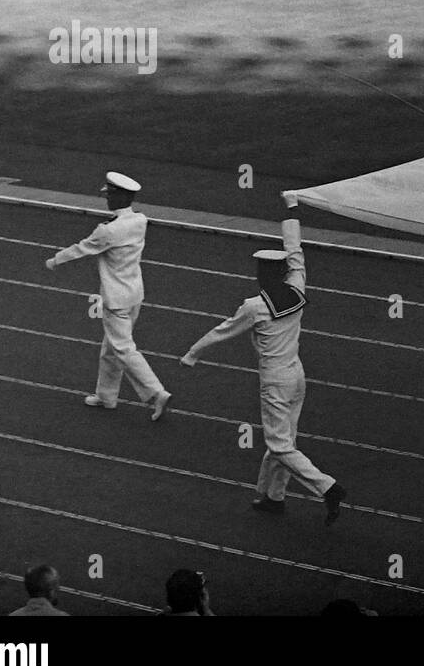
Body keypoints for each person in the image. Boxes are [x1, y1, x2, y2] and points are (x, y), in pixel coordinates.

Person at [181, 193, 346, 524]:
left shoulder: (254, 306)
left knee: (281, 445)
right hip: (297, 375)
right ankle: (273, 496)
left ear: (265, 273)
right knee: (284, 441)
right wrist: (292, 210)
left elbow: (222, 331)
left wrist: (192, 353)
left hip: (274, 380)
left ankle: (327, 488)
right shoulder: (297, 287)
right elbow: (297, 253)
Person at [45, 172, 172, 421]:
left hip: (116, 299)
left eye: (110, 195)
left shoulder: (108, 231)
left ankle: (157, 393)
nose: (107, 199)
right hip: (135, 293)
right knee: (111, 349)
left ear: (121, 196)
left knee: (123, 348)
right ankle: (106, 396)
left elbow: (82, 248)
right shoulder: (140, 220)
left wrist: (55, 259)